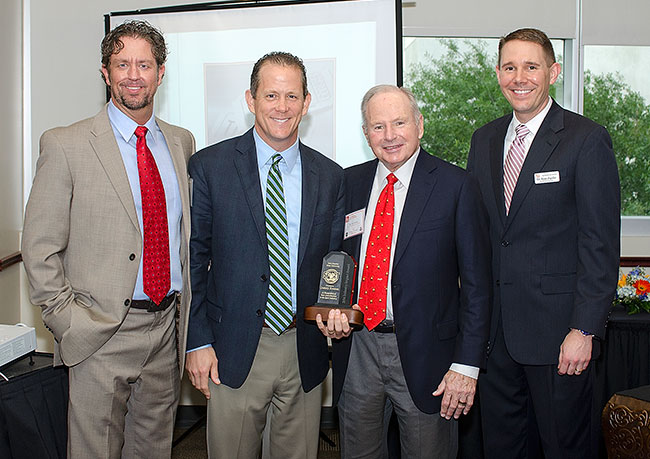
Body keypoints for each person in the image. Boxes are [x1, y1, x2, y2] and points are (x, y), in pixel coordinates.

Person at [21, 20, 195, 458]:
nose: (133, 75)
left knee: (153, 451)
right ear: (105, 72)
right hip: (98, 334)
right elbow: (39, 248)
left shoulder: (181, 143)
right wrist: (68, 323)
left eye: (144, 64)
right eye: (122, 64)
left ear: (161, 72)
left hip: (165, 331)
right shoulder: (66, 144)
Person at [466, 28, 621, 458]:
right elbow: (480, 234)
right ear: (497, 73)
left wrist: (585, 328)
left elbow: (600, 244)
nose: (520, 77)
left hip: (559, 337)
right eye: (510, 67)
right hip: (495, 339)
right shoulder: (484, 140)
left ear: (553, 72)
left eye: (531, 66)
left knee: (564, 448)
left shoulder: (586, 140)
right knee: (504, 448)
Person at [184, 51, 345, 459]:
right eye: (271, 95)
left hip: (303, 347)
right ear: (250, 99)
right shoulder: (209, 166)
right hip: (232, 347)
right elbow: (193, 260)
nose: (282, 107)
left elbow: (335, 258)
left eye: (292, 97)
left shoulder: (329, 175)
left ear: (307, 103)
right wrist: (196, 340)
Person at [322, 84, 491, 458]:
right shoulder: (348, 184)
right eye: (378, 126)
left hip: (428, 355)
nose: (390, 135)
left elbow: (479, 287)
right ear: (366, 134)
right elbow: (335, 261)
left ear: (420, 124)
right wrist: (332, 308)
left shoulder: (456, 186)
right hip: (358, 347)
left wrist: (466, 366)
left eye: (399, 123)